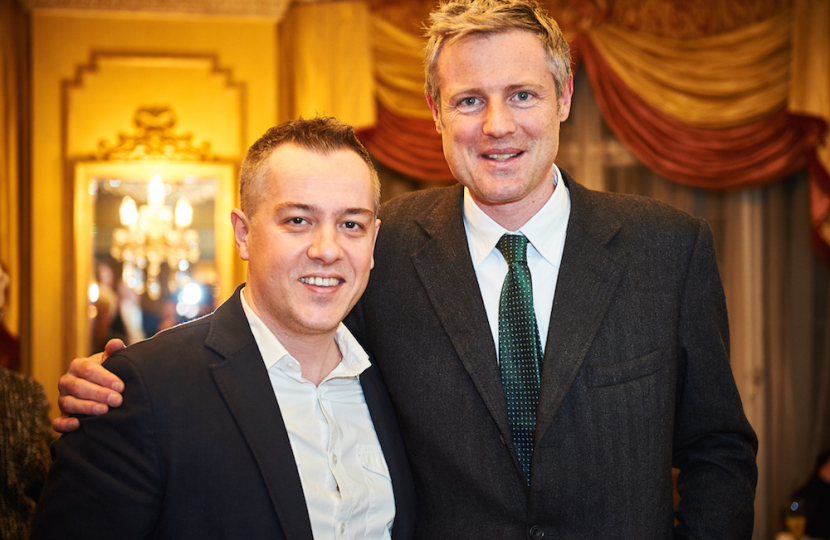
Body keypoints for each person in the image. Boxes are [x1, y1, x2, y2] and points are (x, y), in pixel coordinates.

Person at [54, 1, 758, 538]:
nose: (497, 125)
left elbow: (718, 448)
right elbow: (279, 328)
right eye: (469, 100)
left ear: (564, 96)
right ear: (436, 113)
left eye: (522, 94)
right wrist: (135, 379)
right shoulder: (378, 249)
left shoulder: (668, 248)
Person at [32, 117, 416, 540]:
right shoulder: (138, 388)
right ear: (243, 234)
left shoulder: (398, 379)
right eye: (298, 220)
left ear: (372, 241)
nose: (327, 250)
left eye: (351, 225)